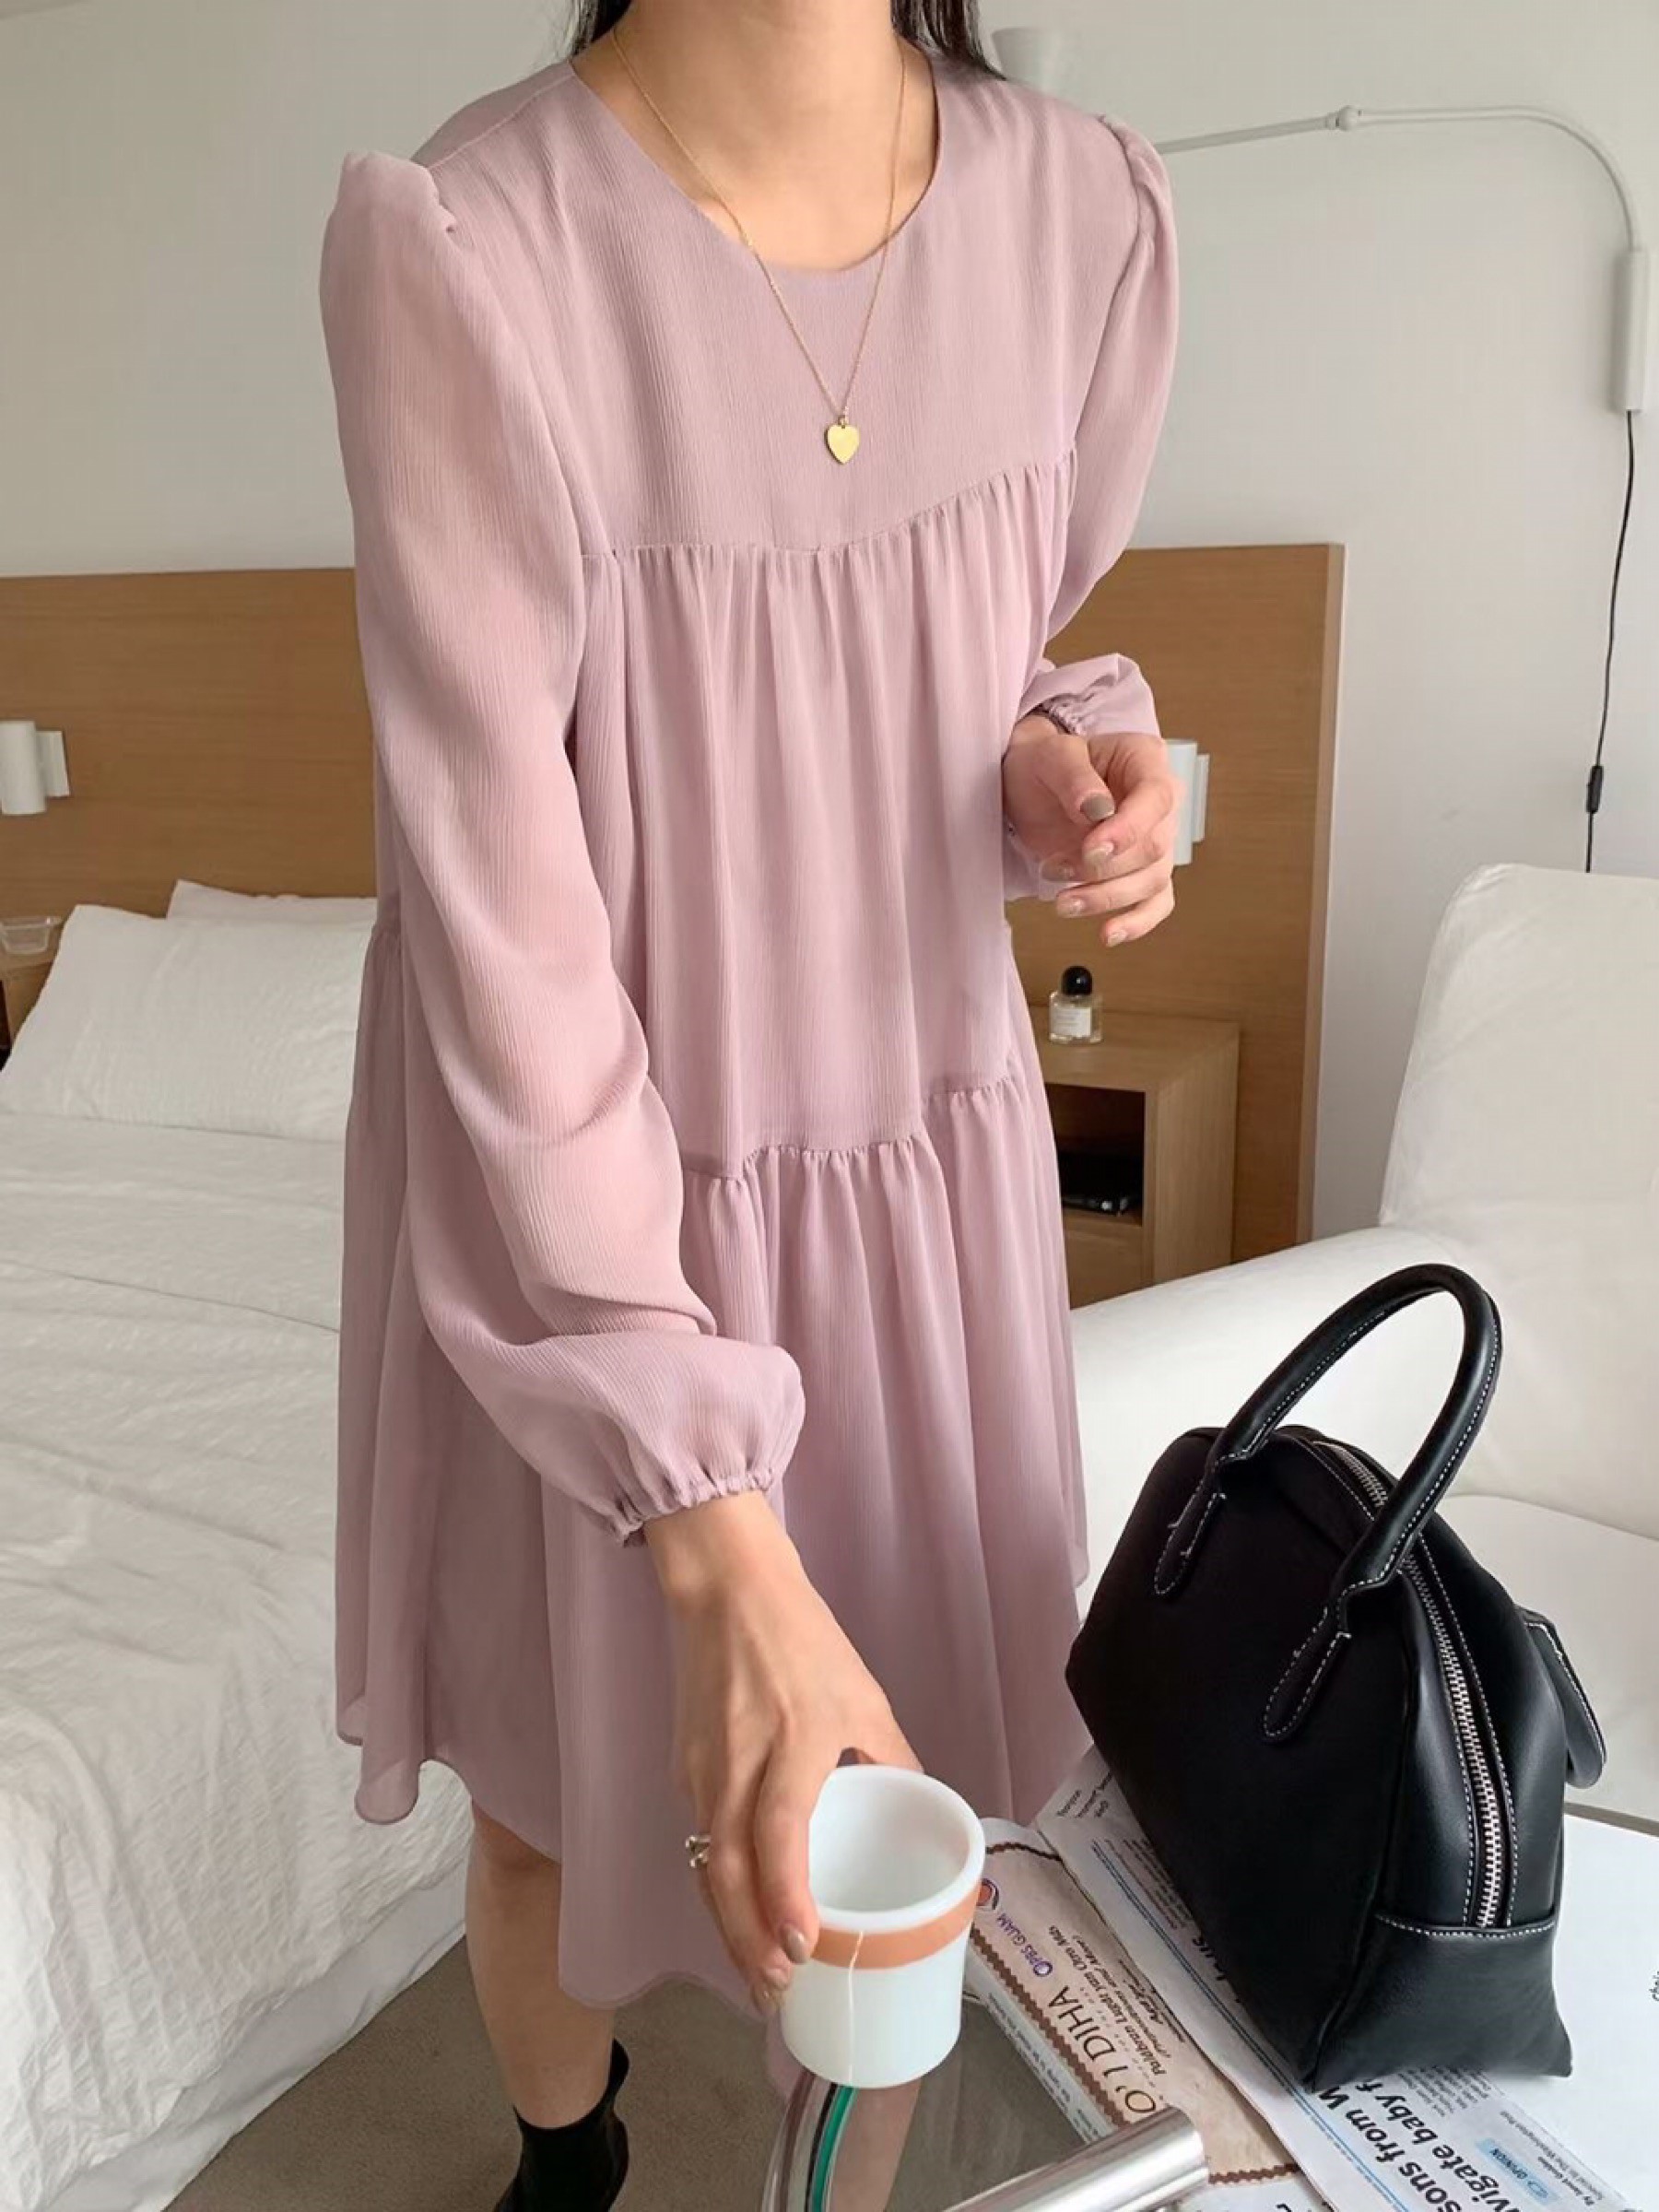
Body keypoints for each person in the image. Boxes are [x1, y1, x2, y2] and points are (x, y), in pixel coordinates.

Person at [318, 2, 1178, 2204]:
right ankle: (567, 2159)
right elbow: (504, 934)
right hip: (585, 1224)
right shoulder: (474, 247)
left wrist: (1055, 761)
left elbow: (983, 654)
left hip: (920, 1202)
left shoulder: (1078, 213)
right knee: (548, 1808)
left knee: (894, 1851)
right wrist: (700, 1496)